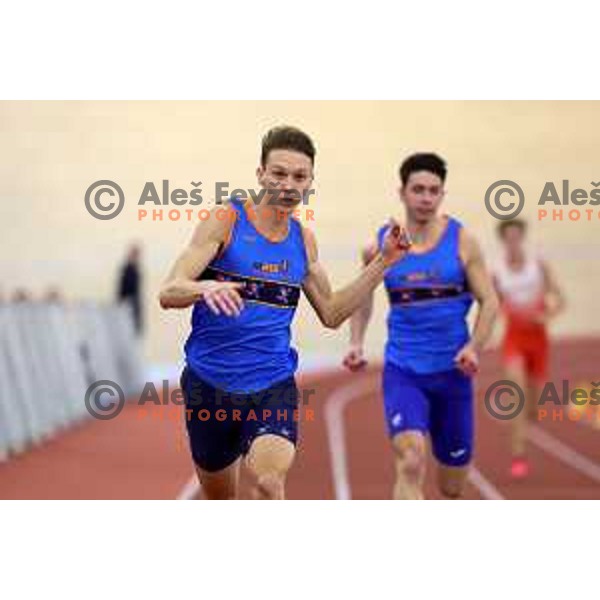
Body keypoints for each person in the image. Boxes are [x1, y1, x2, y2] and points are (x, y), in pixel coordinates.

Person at [159, 126, 409, 500]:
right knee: (220, 500)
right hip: (209, 386)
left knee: (269, 484)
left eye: (299, 176)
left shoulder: (303, 241)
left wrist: (384, 263)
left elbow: (332, 311)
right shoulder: (226, 220)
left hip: (271, 385)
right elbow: (168, 291)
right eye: (279, 174)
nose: (289, 185)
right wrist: (204, 288)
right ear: (260, 174)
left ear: (310, 182)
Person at [343, 153, 499, 499]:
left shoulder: (463, 242)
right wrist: (356, 341)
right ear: (402, 192)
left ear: (442, 195)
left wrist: (474, 346)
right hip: (404, 370)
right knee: (411, 460)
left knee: (452, 487)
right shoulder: (380, 247)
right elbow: (363, 295)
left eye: (434, 190)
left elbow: (490, 301)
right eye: (418, 189)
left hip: (453, 373)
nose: (426, 198)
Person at [493, 219, 565, 479]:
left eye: (517, 236)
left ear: (522, 237)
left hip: (538, 339)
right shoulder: (497, 272)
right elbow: (494, 305)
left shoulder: (539, 266)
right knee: (517, 398)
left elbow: (560, 300)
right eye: (508, 237)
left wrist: (546, 315)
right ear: (502, 240)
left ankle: (527, 420)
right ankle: (518, 455)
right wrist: (506, 311)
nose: (513, 241)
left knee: (533, 407)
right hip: (514, 338)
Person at [117, 244, 143, 335]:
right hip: (127, 307)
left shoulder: (135, 269)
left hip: (132, 307)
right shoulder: (128, 270)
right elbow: (122, 291)